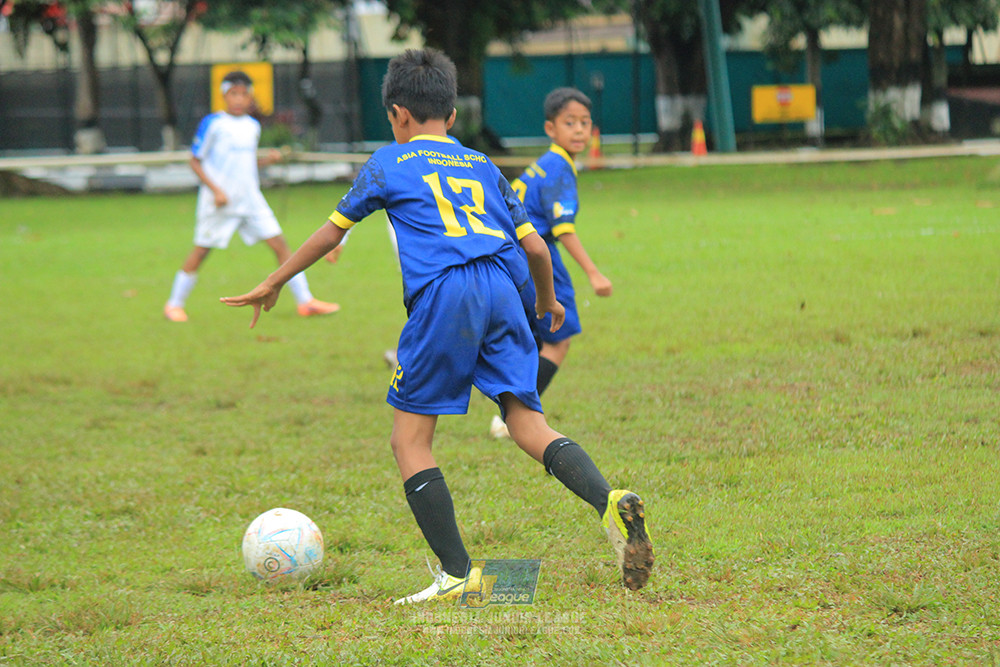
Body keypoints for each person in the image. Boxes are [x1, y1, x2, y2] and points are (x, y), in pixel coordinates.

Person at [221, 49, 653, 602]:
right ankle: (609, 501)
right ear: (451, 116)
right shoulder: (483, 165)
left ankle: (457, 575)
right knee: (527, 423)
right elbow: (537, 249)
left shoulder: (388, 162)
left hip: (446, 293)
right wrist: (547, 303)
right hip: (505, 286)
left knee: (410, 440)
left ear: (398, 114)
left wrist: (275, 281)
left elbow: (332, 233)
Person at [163, 70, 339, 322]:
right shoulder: (213, 123)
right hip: (220, 202)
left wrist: (268, 160)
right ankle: (174, 305)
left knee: (281, 246)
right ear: (224, 95)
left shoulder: (252, 126)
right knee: (201, 251)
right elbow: (195, 161)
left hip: (251, 200)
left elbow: (245, 165)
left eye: (244, 94)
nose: (238, 99)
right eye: (233, 94)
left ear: (250, 97)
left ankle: (305, 301)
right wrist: (217, 190)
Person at [489, 87, 613, 439]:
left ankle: (510, 406)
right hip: (536, 253)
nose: (578, 130)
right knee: (559, 340)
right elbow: (565, 230)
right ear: (550, 128)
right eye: (569, 122)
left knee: (534, 337)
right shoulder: (558, 167)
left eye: (585, 123)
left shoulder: (546, 163)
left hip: (508, 252)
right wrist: (594, 273)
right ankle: (514, 418)